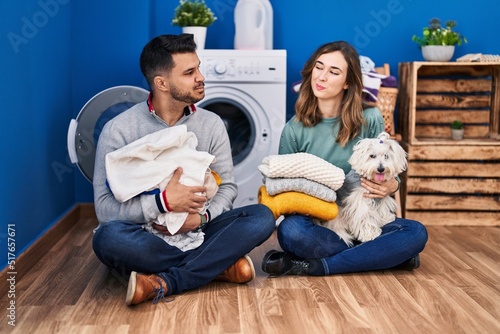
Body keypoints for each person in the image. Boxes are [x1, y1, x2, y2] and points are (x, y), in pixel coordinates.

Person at [92, 34, 275, 305]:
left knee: (261, 216)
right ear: (162, 83)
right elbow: (105, 209)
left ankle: (165, 280)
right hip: (147, 233)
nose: (201, 77)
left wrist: (200, 219)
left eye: (198, 68)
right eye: (189, 72)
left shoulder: (211, 124)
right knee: (107, 238)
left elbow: (227, 187)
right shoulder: (119, 130)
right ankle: (217, 267)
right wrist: (162, 202)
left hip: (200, 229)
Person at [261, 41, 428, 276]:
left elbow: (385, 166)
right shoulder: (294, 129)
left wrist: (392, 184)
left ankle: (320, 265)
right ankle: (382, 255)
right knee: (292, 231)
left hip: (368, 218)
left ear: (348, 82)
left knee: (417, 231)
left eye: (334, 71)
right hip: (324, 225)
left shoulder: (370, 118)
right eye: (319, 67)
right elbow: (284, 189)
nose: (322, 76)